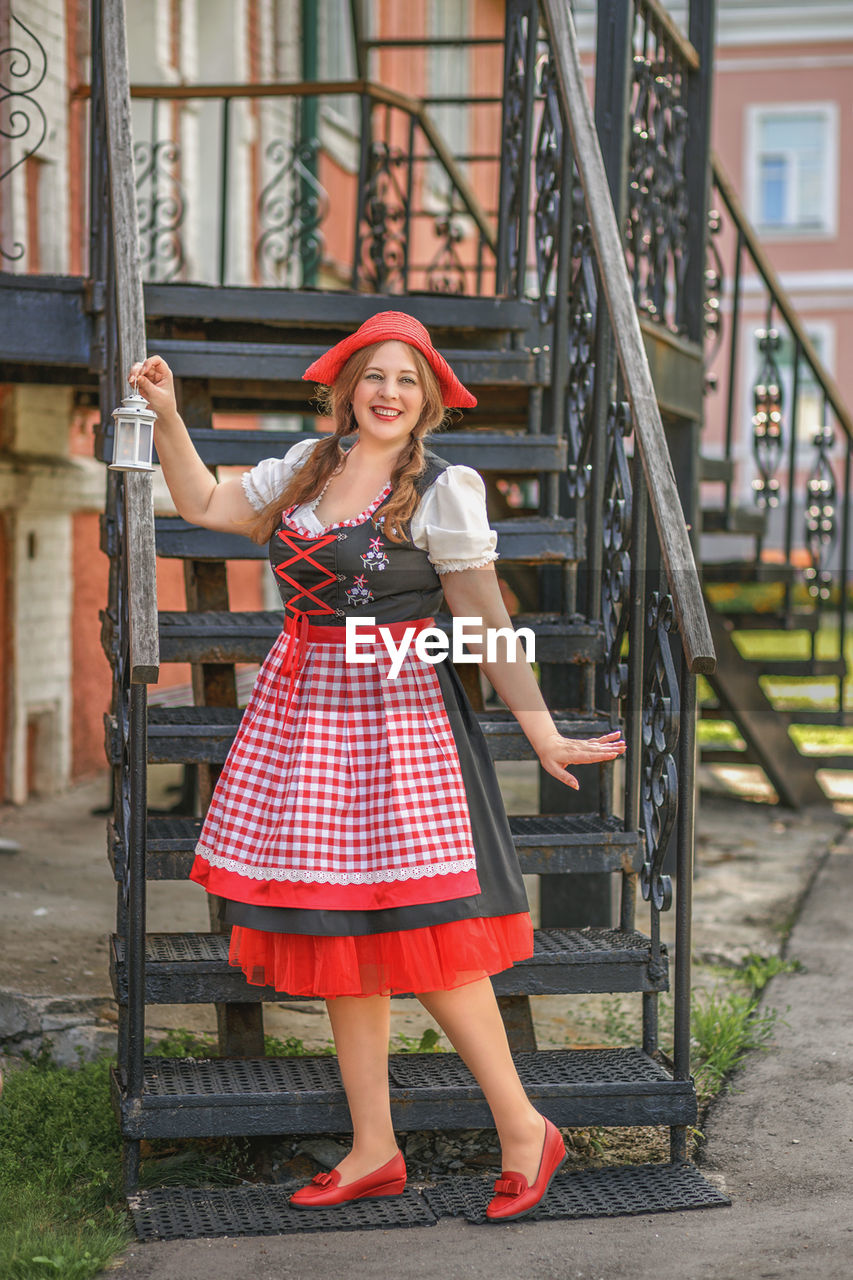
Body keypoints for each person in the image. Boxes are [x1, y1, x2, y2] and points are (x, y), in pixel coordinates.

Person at [129, 311, 625, 1223]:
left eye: (407, 379)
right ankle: (372, 1147)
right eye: (375, 376)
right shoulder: (304, 468)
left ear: (428, 397)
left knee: (427, 932)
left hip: (398, 715)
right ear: (347, 388)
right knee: (335, 935)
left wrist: (542, 729)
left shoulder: (443, 487)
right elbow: (203, 505)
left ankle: (524, 1129)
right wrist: (164, 412)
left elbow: (480, 617)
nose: (389, 392)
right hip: (303, 713)